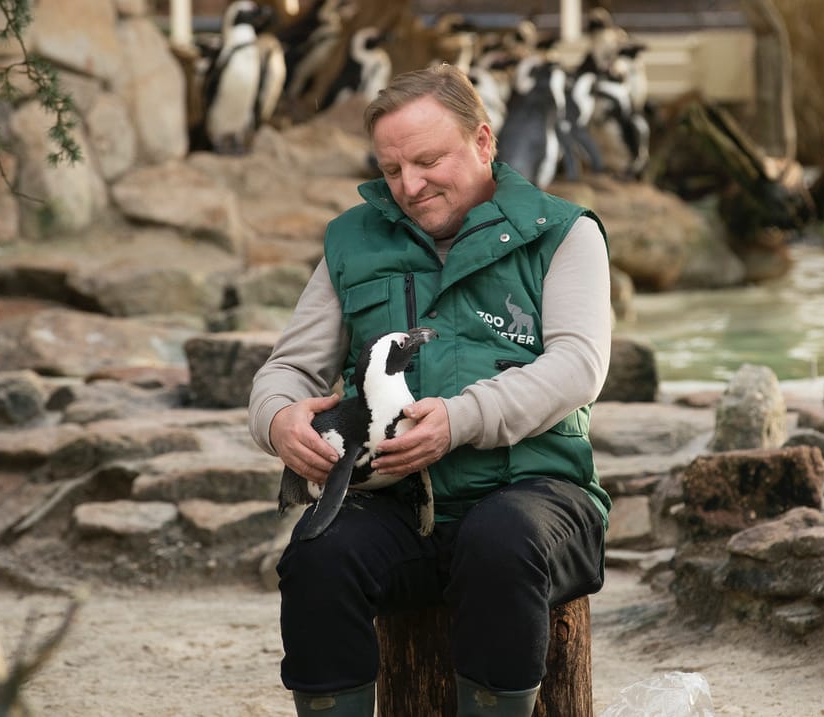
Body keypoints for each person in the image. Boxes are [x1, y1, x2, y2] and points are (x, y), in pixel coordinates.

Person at [248, 63, 612, 717]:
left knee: (500, 542)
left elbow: (578, 366)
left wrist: (460, 418)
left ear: (482, 141)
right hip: (399, 511)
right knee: (317, 556)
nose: (409, 186)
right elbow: (287, 370)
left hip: (537, 498)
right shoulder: (351, 242)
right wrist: (279, 421)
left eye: (426, 161)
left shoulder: (563, 232)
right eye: (391, 169)